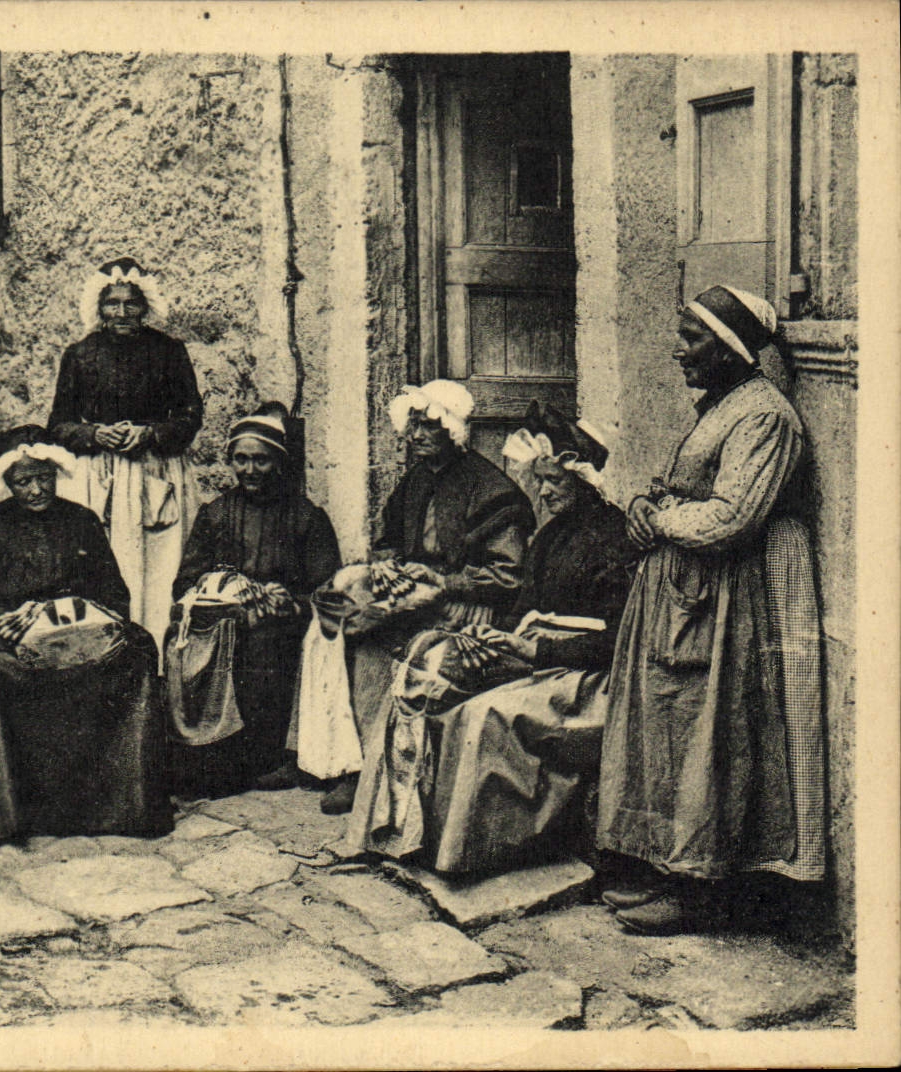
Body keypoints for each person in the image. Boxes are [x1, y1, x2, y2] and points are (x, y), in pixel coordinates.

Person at [597, 285, 824, 935]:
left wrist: (660, 520)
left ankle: (703, 889)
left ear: (730, 349)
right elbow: (684, 492)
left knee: (712, 738)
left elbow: (734, 517)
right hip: (686, 590)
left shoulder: (767, 416)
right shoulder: (723, 406)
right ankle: (667, 868)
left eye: (692, 339)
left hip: (724, 596)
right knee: (675, 733)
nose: (679, 351)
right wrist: (647, 507)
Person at [344, 403, 641, 873]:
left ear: (586, 482)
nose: (542, 494)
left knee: (481, 713)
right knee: (421, 670)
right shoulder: (549, 537)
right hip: (540, 660)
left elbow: (619, 641)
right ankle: (400, 831)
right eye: (539, 481)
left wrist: (538, 650)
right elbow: (524, 609)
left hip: (588, 680)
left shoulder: (617, 539)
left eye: (554, 483)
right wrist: (493, 637)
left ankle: (470, 852)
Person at [291, 380, 536, 814]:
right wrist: (385, 563)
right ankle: (311, 755)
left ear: (453, 431)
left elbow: (507, 576)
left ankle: (364, 771)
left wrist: (443, 581)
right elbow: (388, 537)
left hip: (464, 607)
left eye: (427, 426)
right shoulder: (418, 478)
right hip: (415, 590)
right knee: (329, 611)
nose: (416, 434)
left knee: (366, 638)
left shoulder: (493, 491)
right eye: (413, 425)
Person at [0, 426, 173, 842]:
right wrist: (3, 616)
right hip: (8, 636)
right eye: (23, 481)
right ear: (7, 483)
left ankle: (126, 804)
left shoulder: (81, 519)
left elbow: (114, 595)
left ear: (57, 472)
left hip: (77, 629)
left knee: (137, 650)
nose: (35, 490)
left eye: (43, 477)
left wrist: (75, 612)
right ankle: (15, 810)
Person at [167, 403, 341, 797]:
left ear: (279, 463)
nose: (249, 470)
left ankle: (269, 758)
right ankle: (211, 754)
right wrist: (229, 586)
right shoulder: (216, 514)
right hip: (221, 622)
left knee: (265, 641)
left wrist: (290, 600)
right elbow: (185, 584)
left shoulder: (306, 517)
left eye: (260, 461)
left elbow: (328, 590)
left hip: (282, 623)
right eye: (241, 460)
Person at [49, 257, 203, 654]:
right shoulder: (80, 355)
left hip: (155, 472)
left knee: (159, 566)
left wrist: (151, 433)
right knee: (103, 564)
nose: (121, 312)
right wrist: (95, 433)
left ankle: (159, 657)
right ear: (99, 308)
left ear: (144, 306)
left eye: (130, 304)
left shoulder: (169, 352)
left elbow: (190, 416)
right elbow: (59, 424)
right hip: (98, 476)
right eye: (112, 303)